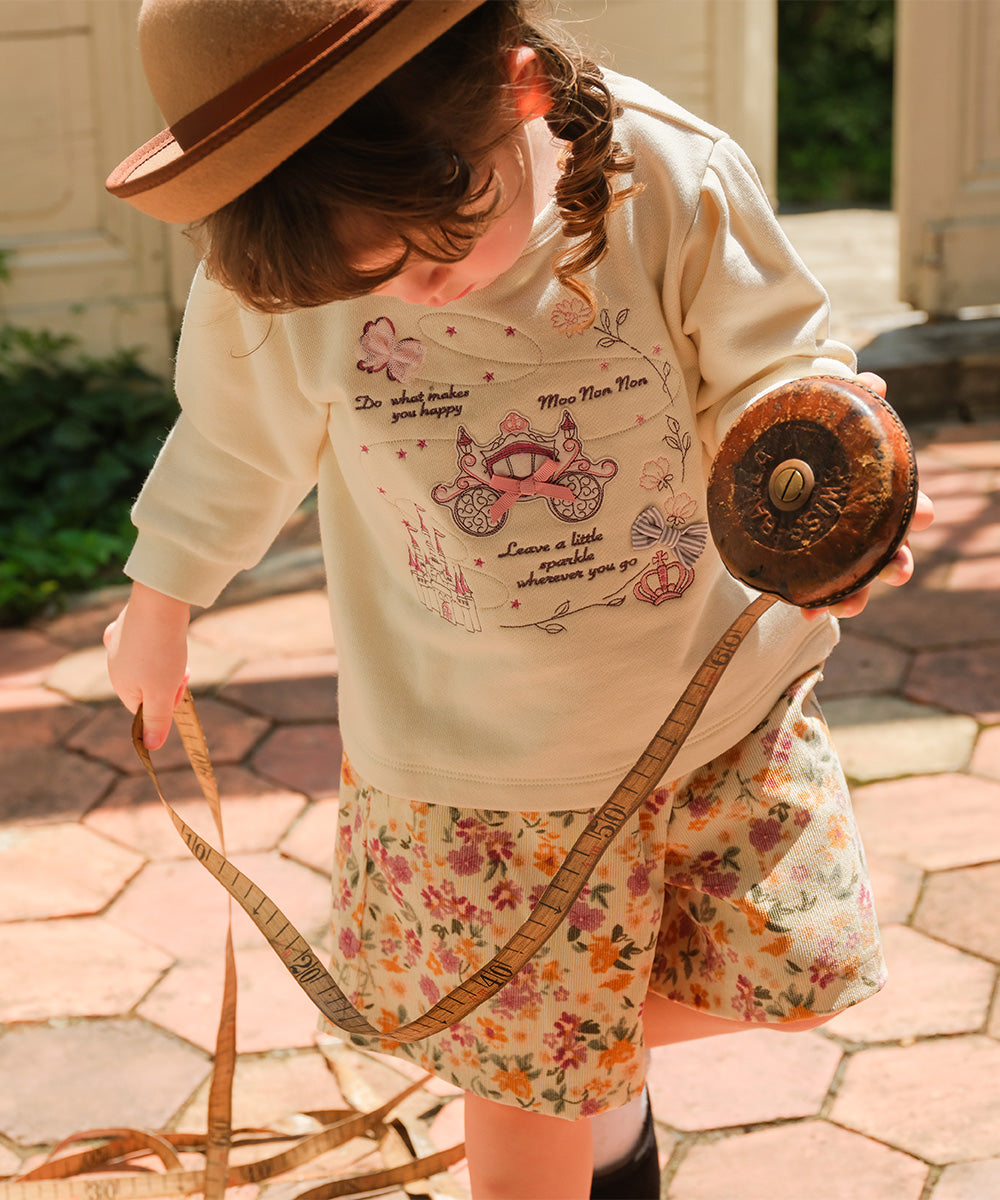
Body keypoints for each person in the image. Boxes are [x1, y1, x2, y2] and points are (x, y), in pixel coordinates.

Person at [103, 2, 933, 1196]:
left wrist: (825, 503)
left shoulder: (669, 177)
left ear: (522, 90)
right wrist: (160, 601)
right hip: (472, 765)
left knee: (793, 978)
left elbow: (776, 363)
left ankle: (573, 1082)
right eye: (378, 279)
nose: (426, 296)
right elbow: (232, 444)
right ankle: (566, 1099)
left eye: (441, 251)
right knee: (528, 1132)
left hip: (707, 712)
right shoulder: (286, 263)